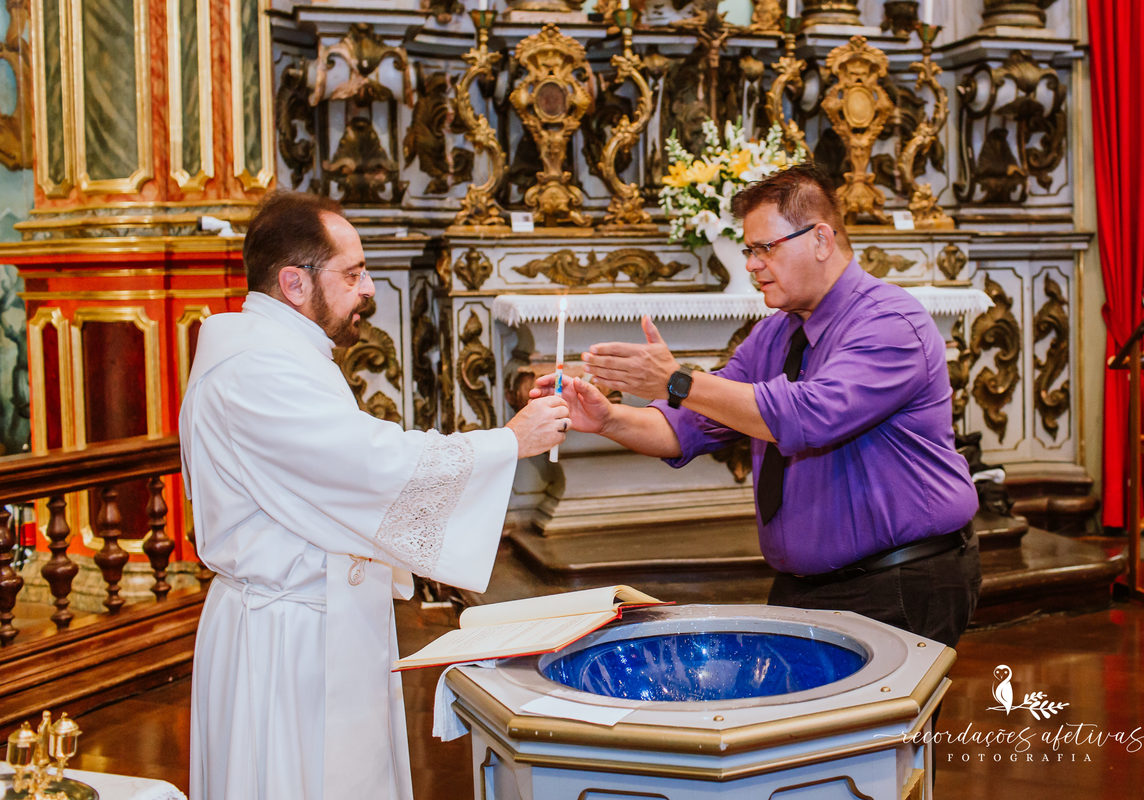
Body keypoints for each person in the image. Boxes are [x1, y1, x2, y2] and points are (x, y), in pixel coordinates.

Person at [179, 192, 570, 800]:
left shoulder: (284, 351)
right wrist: (507, 444)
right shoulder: (253, 367)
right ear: (293, 282)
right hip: (285, 644)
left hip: (322, 619)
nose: (368, 289)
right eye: (353, 273)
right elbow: (364, 465)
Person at [535, 163, 980, 647]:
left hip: (899, 581)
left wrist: (675, 379)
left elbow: (809, 416)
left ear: (822, 240)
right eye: (749, 250)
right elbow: (692, 426)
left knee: (889, 726)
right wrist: (608, 419)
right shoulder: (774, 333)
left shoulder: (890, 322)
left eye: (765, 248)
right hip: (807, 586)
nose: (751, 263)